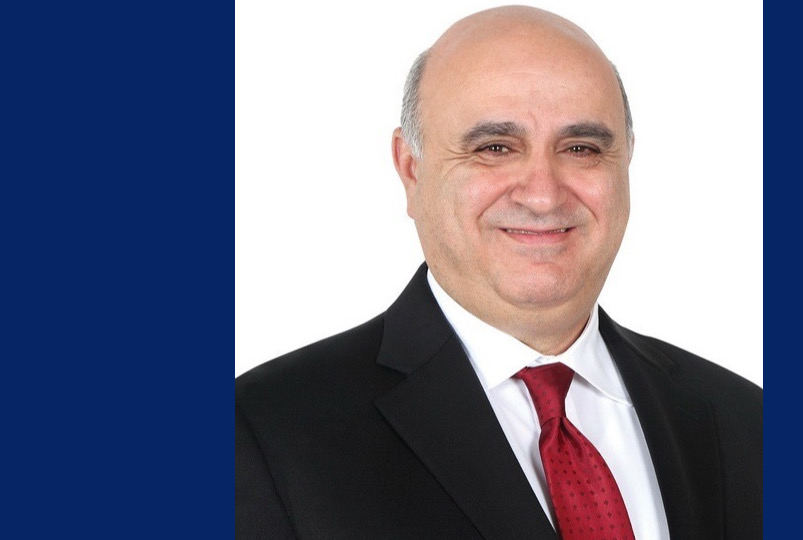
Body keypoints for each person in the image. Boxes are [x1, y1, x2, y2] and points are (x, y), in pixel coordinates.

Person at [236, 5, 761, 540]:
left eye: (581, 148)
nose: (542, 195)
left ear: (626, 164)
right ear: (411, 170)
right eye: (494, 148)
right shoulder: (260, 437)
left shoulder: (747, 424)